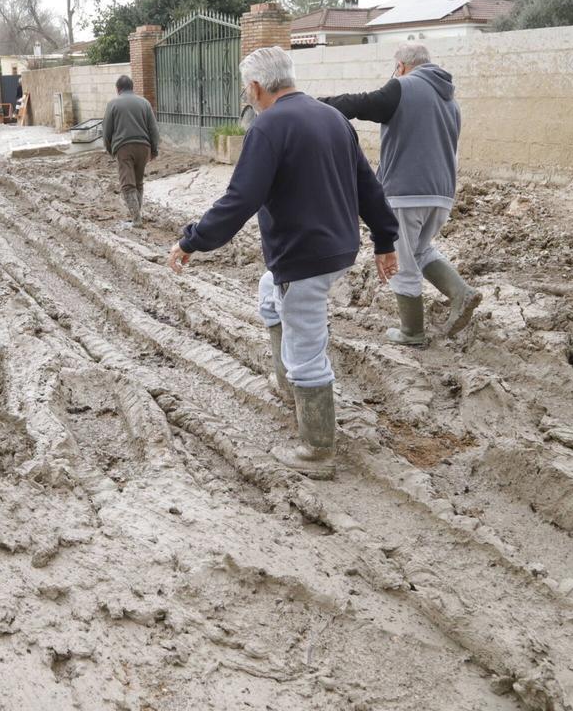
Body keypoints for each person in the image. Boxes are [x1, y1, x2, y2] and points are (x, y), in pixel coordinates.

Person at [166, 47, 399, 479]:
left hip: (304, 254)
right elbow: (368, 185)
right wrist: (385, 239)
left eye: (245, 89)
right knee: (269, 293)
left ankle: (317, 450)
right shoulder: (333, 118)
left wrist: (192, 241)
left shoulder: (269, 126)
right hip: (336, 247)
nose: (246, 95)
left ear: (256, 87)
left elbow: (240, 199)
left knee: (305, 347)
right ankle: (288, 384)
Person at [319, 43, 480, 345]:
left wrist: (316, 106)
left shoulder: (403, 87)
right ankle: (461, 292)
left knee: (403, 261)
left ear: (402, 66)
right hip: (441, 194)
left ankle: (412, 332)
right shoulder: (450, 100)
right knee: (419, 250)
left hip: (406, 193)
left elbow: (360, 103)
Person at [102, 75, 160, 227]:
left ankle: (136, 220)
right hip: (144, 148)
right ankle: (137, 216)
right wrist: (154, 150)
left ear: (118, 89)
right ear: (132, 87)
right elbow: (154, 129)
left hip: (124, 148)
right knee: (138, 183)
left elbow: (106, 131)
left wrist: (110, 150)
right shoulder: (145, 103)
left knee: (127, 184)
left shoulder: (113, 104)